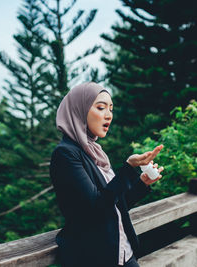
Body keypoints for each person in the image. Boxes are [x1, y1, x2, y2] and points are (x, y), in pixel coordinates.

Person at [49, 82, 164, 267]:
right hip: (95, 258)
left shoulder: (94, 151)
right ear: (79, 110)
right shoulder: (66, 154)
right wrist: (128, 167)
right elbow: (96, 209)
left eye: (111, 109)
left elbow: (114, 205)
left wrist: (142, 184)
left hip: (123, 253)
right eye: (101, 107)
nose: (109, 115)